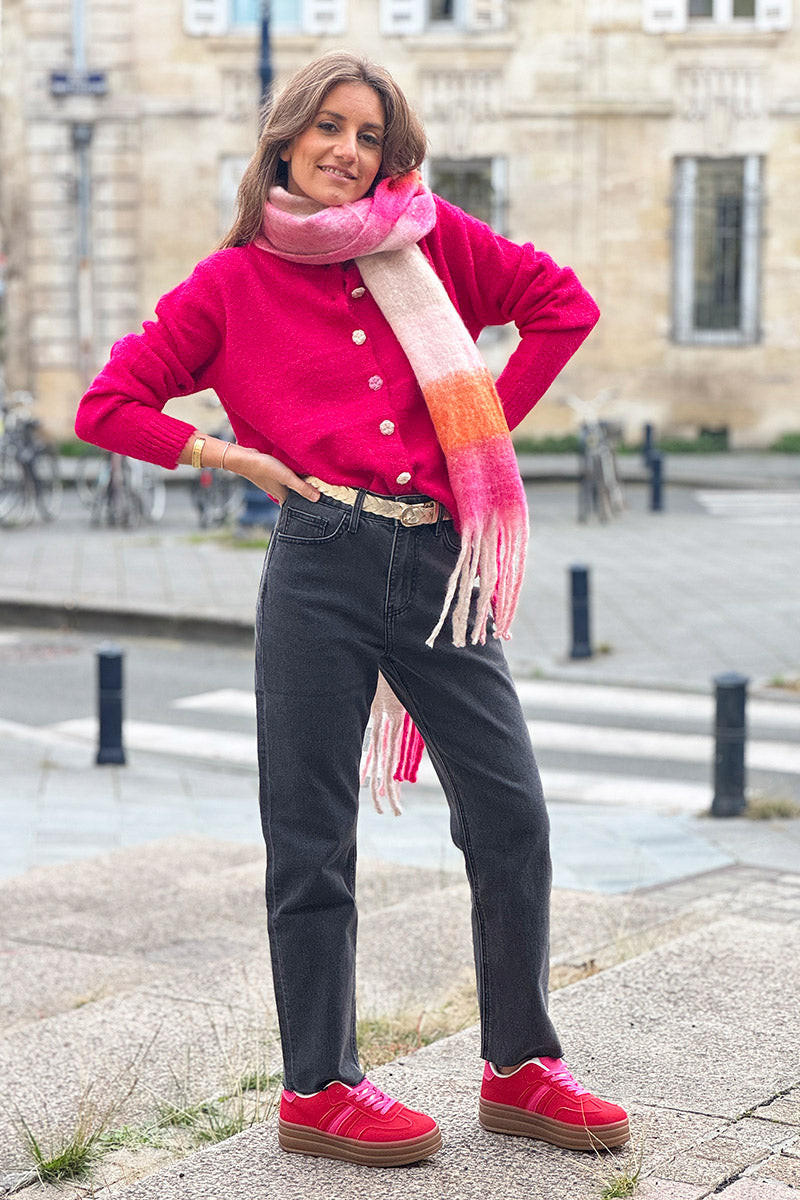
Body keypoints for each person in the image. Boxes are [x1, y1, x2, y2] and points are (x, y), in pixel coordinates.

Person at [75, 50, 630, 1168]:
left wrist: (473, 432)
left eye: (368, 134)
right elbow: (108, 404)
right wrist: (227, 453)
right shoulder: (230, 284)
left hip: (437, 564)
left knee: (510, 813)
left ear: (392, 150)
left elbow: (560, 308)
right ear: (284, 139)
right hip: (319, 561)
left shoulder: (433, 241)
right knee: (310, 839)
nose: (346, 150)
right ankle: (319, 1087)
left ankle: (519, 1066)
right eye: (327, 127)